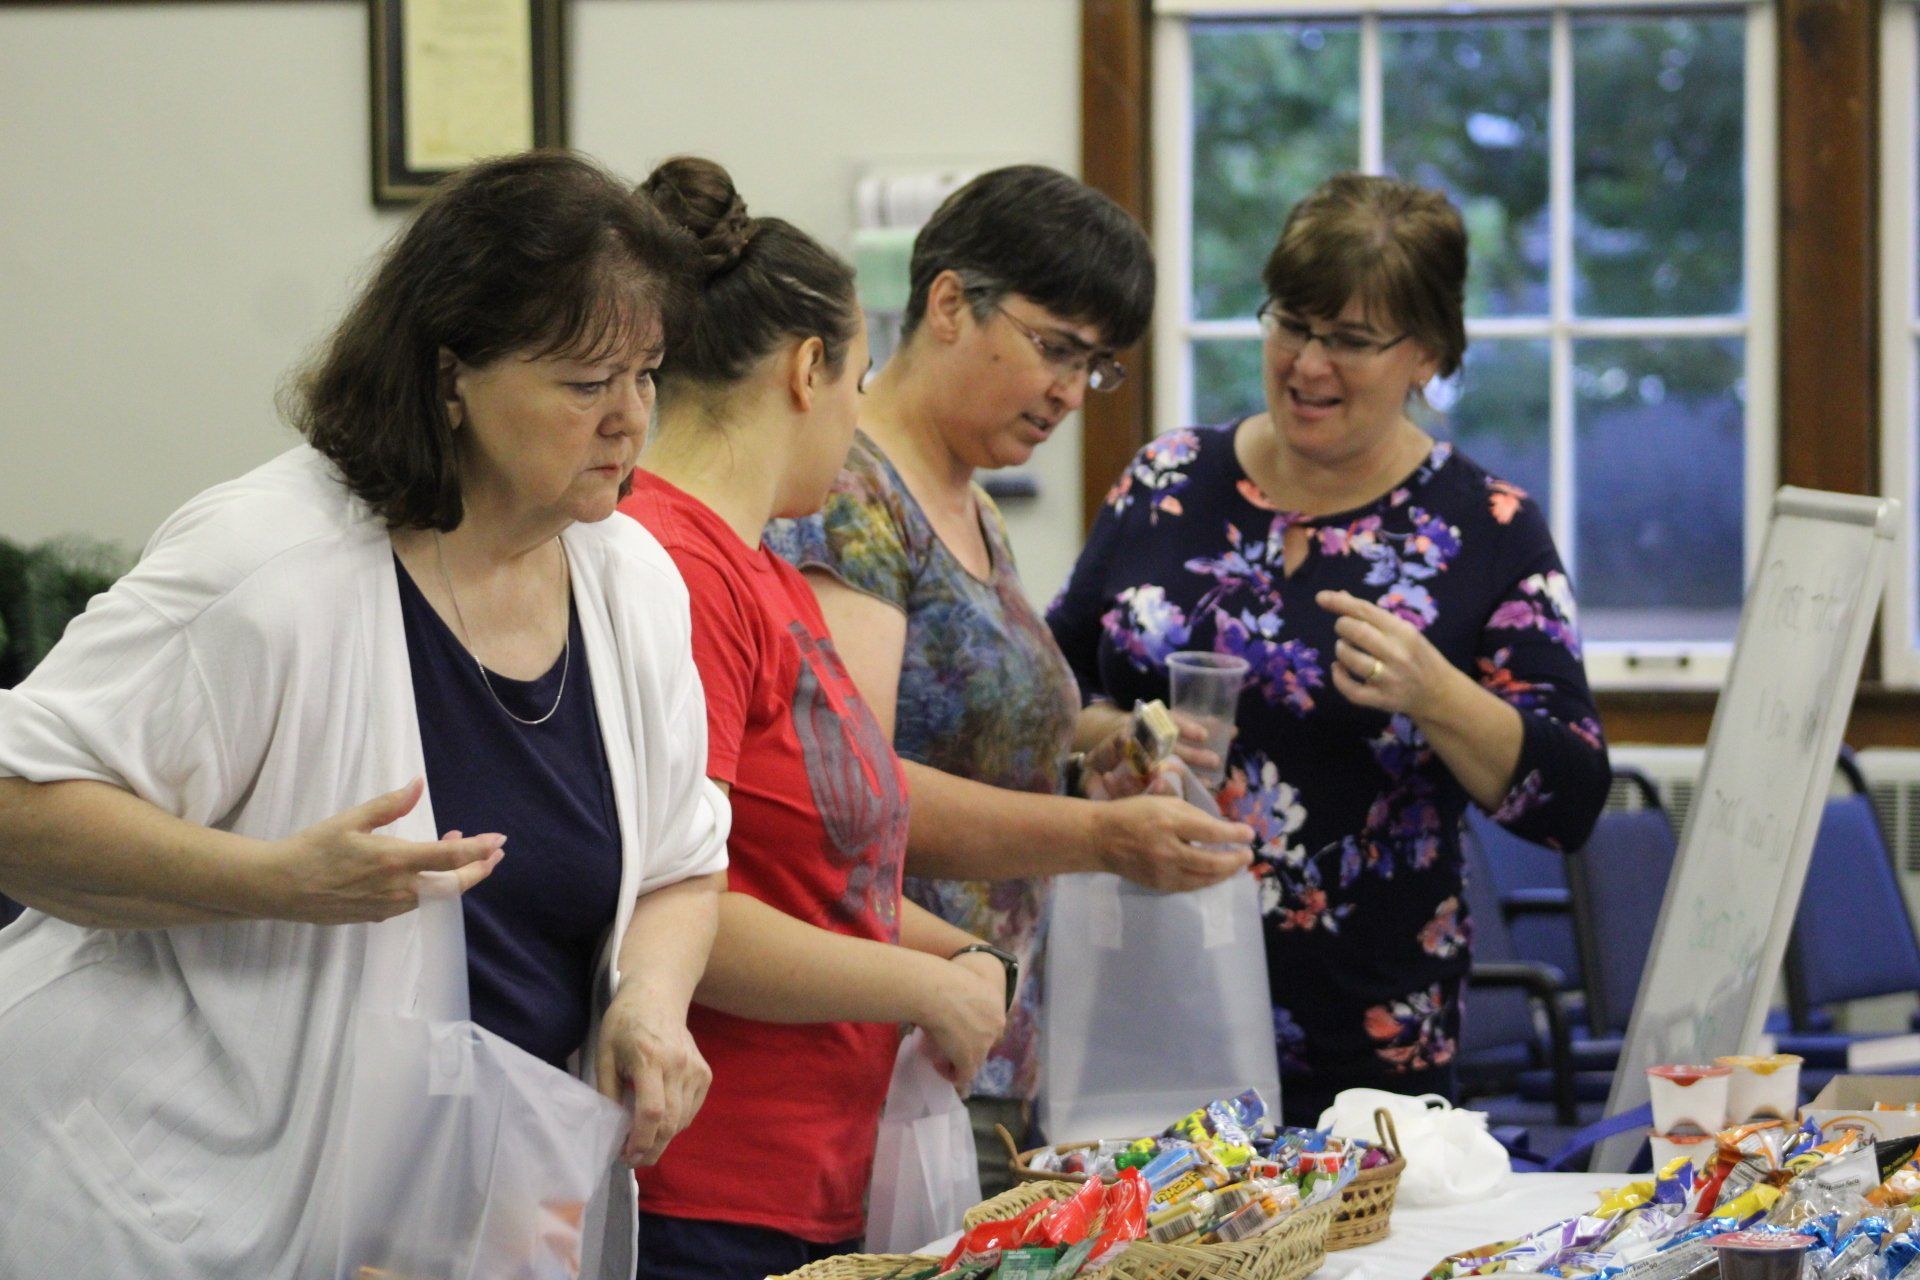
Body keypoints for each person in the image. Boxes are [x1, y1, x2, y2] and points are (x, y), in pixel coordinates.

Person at [0, 152, 728, 1278]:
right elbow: (14, 804)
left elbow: (684, 861)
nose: (631, 422)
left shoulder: (631, 579)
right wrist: (270, 881)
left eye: (648, 375)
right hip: (184, 1216)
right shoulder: (267, 565)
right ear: (452, 377)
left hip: (467, 1229)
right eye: (587, 385)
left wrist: (652, 1004)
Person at [1048, 173, 1611, 1127]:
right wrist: (1115, 739)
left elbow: (1569, 800)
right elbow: (1050, 685)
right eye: (1290, 324)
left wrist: (1437, 692)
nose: (1307, 365)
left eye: (1349, 341)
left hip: (1366, 1047)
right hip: (1143, 1007)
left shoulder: (1488, 528)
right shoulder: (1168, 479)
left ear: (1427, 354)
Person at [765, 165, 1253, 1183]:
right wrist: (1101, 836)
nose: (1073, 392)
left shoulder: (969, 501)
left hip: (978, 1032)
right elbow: (850, 796)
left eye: (1097, 365)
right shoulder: (849, 494)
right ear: (948, 302)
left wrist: (1096, 755)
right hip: (886, 1034)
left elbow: (964, 723)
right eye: (1055, 348)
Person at [618, 158, 1007, 1280]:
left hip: (808, 1175)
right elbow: (687, 905)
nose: (858, 418)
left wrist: (963, 950)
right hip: (705, 1178)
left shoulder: (772, 572)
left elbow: (822, 879)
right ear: (805, 370)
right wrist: (925, 986)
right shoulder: (676, 566)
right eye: (859, 380)